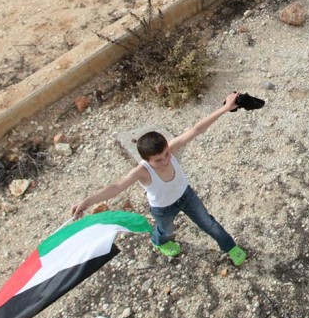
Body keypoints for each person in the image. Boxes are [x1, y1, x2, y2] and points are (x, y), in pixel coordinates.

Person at [70, 92, 247, 266]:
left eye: (166, 155)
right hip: (163, 208)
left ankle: (230, 247)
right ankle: (158, 241)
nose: (165, 161)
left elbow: (196, 129)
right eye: (158, 160)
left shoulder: (172, 148)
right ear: (147, 160)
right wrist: (86, 202)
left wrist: (225, 108)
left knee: (208, 223)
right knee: (165, 231)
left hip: (186, 195)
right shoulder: (142, 171)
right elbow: (116, 187)